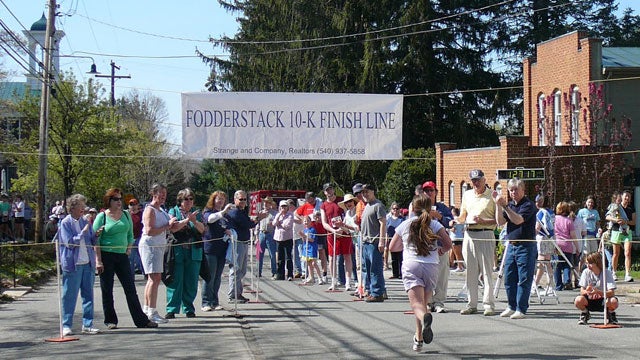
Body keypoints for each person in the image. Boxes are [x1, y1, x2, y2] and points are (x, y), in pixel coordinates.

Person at [388, 195, 452, 352]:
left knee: (416, 304)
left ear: (413, 208)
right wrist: (441, 250)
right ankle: (419, 338)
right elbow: (448, 243)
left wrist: (405, 245)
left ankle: (425, 319)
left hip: (412, 264)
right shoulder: (435, 224)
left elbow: (392, 247)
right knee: (424, 303)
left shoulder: (406, 224)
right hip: (431, 265)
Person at [94, 188, 157, 329]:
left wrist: (128, 248)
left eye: (120, 199)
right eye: (115, 199)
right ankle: (110, 320)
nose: (119, 202)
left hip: (122, 255)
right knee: (107, 289)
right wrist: (98, 260)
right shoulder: (102, 217)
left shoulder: (126, 215)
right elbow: (95, 239)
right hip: (106, 254)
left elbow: (130, 234)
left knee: (130, 288)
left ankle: (141, 320)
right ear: (109, 201)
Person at [493, 178, 537, 319]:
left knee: (524, 278)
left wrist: (505, 207)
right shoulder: (510, 204)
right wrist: (498, 206)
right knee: (509, 278)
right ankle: (511, 306)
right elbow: (500, 222)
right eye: (511, 190)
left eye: (516, 190)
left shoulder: (528, 205)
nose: (513, 193)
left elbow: (518, 220)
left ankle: (521, 308)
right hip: (511, 245)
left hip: (526, 245)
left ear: (523, 190)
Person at [457, 169, 497, 315]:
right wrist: (456, 221)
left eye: (478, 180)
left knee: (487, 271)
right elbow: (463, 215)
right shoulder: (467, 195)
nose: (476, 183)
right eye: (473, 180)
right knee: (471, 272)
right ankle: (471, 304)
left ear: (484, 180)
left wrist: (483, 221)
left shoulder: (492, 196)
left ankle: (488, 304)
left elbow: (499, 221)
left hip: (485, 233)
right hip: (469, 234)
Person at [58, 194, 100, 336]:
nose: (83, 208)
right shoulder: (65, 223)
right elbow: (69, 243)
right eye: (81, 206)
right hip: (72, 264)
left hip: (87, 263)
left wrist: (96, 234)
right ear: (73, 207)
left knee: (88, 295)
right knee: (69, 296)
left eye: (84, 206)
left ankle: (88, 324)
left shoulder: (84, 221)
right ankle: (66, 325)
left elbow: (91, 240)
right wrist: (82, 233)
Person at [139, 184, 176, 324]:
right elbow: (149, 230)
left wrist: (186, 220)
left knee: (154, 278)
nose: (163, 196)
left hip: (159, 246)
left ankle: (148, 309)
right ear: (154, 194)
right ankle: (151, 311)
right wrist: (167, 226)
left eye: (165, 194)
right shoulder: (149, 210)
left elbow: (172, 226)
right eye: (161, 194)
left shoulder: (162, 210)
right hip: (150, 246)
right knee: (154, 278)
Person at [166, 188, 205, 318]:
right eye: (185, 199)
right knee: (175, 280)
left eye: (190, 199)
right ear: (180, 200)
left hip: (194, 251)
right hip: (177, 250)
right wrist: (187, 220)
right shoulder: (173, 211)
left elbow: (201, 230)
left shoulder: (197, 213)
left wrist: (194, 220)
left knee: (191, 281)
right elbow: (174, 228)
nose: (188, 201)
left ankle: (188, 308)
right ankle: (172, 309)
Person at [225, 190, 267, 303]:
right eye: (241, 199)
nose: (243, 201)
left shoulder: (242, 211)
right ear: (235, 200)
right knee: (236, 270)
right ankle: (232, 295)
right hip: (237, 243)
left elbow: (248, 221)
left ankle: (238, 294)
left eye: (244, 199)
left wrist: (256, 219)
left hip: (244, 242)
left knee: (242, 271)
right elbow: (248, 224)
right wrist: (259, 218)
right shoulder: (234, 212)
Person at [422, 181, 453, 314]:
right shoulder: (419, 207)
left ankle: (439, 302)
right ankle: (427, 302)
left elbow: (450, 222)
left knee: (442, 275)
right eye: (426, 191)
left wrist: (439, 216)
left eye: (431, 190)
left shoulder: (442, 207)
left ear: (436, 192)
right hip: (424, 247)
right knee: (426, 276)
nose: (429, 193)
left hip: (440, 246)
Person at [201, 191, 233, 311]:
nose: (220, 201)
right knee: (209, 276)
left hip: (222, 249)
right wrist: (223, 211)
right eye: (218, 199)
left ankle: (215, 301)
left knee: (218, 277)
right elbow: (210, 220)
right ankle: (205, 302)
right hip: (210, 248)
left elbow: (228, 226)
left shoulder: (226, 216)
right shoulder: (208, 212)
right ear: (213, 200)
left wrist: (229, 232)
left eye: (223, 199)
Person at [320, 183, 353, 291]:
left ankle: (348, 282)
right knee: (332, 257)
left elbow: (347, 215)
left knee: (347, 256)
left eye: (331, 189)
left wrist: (342, 228)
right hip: (331, 233)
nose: (329, 191)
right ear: (324, 192)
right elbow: (324, 222)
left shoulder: (341, 200)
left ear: (333, 190)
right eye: (327, 190)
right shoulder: (323, 205)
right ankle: (333, 281)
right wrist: (333, 230)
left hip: (344, 231)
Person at [359, 184, 387, 302]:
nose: (365, 194)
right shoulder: (366, 206)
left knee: (375, 269)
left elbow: (383, 223)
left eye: (367, 192)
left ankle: (377, 293)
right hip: (365, 242)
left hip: (374, 242)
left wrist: (381, 240)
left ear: (373, 191)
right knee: (367, 268)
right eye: (363, 192)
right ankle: (370, 290)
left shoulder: (378, 205)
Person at [574, 252, 618, 325]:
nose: (588, 266)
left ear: (597, 263)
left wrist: (598, 292)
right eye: (586, 263)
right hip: (589, 300)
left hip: (603, 300)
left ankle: (610, 314)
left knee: (613, 301)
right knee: (578, 300)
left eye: (590, 263)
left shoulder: (606, 273)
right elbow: (582, 291)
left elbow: (611, 292)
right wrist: (587, 291)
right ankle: (585, 313)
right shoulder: (586, 272)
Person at [608, 190, 635, 282]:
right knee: (616, 253)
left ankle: (627, 274)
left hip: (627, 231)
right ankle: (614, 272)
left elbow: (633, 222)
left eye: (629, 196)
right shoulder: (615, 206)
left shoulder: (631, 209)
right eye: (625, 196)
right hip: (616, 231)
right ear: (621, 197)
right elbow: (607, 217)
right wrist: (616, 220)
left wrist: (625, 222)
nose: (627, 198)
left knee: (627, 252)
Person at [532, 194, 555, 292]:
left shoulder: (540, 213)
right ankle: (551, 285)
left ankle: (535, 284)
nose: (536, 203)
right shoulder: (551, 212)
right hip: (551, 238)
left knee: (541, 261)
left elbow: (537, 228)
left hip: (542, 238)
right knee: (547, 262)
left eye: (537, 201)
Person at [554, 201, 578, 291]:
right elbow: (573, 235)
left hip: (556, 244)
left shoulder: (554, 219)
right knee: (567, 265)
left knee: (557, 266)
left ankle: (558, 285)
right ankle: (567, 280)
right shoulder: (569, 221)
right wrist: (577, 247)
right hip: (567, 244)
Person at [577, 196, 601, 273]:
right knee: (585, 254)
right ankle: (580, 272)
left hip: (593, 235)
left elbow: (597, 223)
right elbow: (578, 223)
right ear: (586, 203)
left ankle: (594, 271)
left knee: (594, 254)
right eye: (589, 202)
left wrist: (599, 229)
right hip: (585, 235)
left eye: (592, 202)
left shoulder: (595, 212)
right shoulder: (581, 211)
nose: (590, 204)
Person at [273, 200, 295, 280]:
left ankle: (290, 275)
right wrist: (278, 216)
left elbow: (287, 225)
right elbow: (274, 224)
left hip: (287, 238)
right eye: (282, 206)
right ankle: (280, 275)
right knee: (280, 258)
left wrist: (280, 223)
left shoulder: (290, 215)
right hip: (278, 238)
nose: (283, 208)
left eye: (285, 206)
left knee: (288, 257)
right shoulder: (277, 215)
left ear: (287, 207)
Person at [298, 215, 323, 284]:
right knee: (308, 263)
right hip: (306, 248)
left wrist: (304, 236)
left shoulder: (312, 230)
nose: (306, 222)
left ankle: (320, 278)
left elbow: (312, 239)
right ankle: (311, 277)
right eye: (305, 221)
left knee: (314, 263)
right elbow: (304, 240)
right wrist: (302, 236)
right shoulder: (305, 230)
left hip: (312, 248)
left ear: (310, 222)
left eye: (308, 221)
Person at [257, 197, 277, 278]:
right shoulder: (260, 213)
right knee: (259, 254)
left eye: (267, 203)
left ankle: (274, 271)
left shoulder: (274, 213)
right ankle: (258, 271)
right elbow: (257, 225)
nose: (265, 204)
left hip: (270, 234)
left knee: (272, 254)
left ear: (270, 204)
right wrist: (256, 236)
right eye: (264, 202)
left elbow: (277, 224)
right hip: (261, 233)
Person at [386, 201, 403, 276]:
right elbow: (386, 230)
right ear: (391, 210)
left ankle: (401, 273)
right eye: (394, 209)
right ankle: (395, 274)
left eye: (397, 208)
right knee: (393, 258)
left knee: (400, 258)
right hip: (391, 239)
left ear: (399, 210)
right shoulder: (388, 219)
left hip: (400, 241)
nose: (395, 210)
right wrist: (386, 239)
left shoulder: (402, 219)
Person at [128, 198, 144, 278]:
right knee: (130, 259)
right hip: (131, 239)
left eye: (134, 204)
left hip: (140, 238)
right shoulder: (127, 215)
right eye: (131, 204)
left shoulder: (142, 214)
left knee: (142, 258)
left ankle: (146, 275)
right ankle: (131, 277)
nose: (133, 206)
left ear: (138, 205)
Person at [447, 207, 465, 272]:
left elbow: (453, 229)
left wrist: (448, 229)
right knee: (459, 253)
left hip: (455, 238)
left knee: (457, 254)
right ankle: (460, 265)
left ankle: (460, 266)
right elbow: (463, 229)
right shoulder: (461, 220)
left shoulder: (454, 220)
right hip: (461, 237)